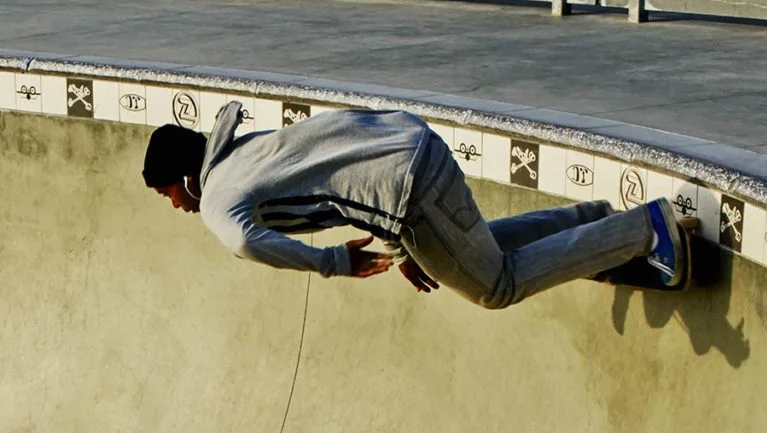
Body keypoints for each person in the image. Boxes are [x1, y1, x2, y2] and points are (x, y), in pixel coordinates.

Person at [143, 105, 695, 306]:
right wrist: (400, 247)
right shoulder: (246, 151)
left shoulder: (217, 197)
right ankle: (592, 223)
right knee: (481, 248)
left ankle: (642, 230)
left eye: (169, 193)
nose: (175, 206)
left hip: (407, 192)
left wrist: (336, 263)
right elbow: (340, 171)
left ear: (187, 177)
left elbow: (243, 241)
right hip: (412, 147)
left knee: (496, 287)